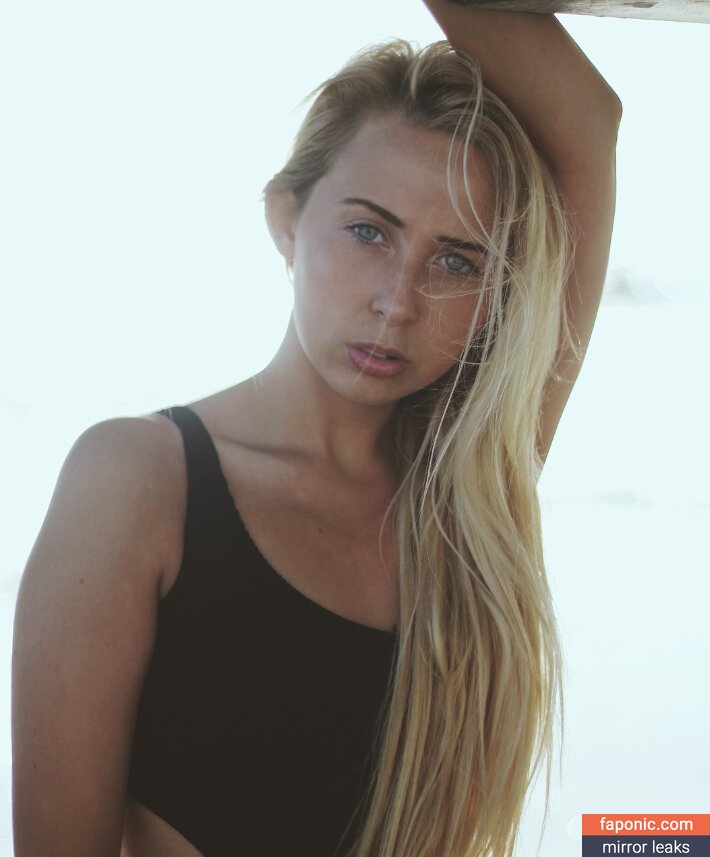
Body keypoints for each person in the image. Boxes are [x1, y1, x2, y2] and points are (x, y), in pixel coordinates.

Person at [11, 2, 621, 856]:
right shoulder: (136, 481)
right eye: (369, 231)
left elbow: (589, 122)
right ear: (285, 219)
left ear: (495, 296)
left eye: (455, 259)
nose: (398, 300)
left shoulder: (471, 494)